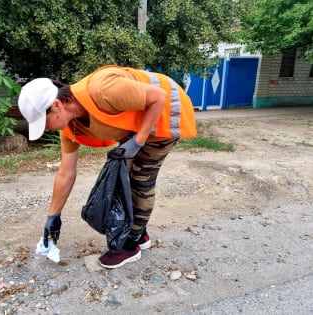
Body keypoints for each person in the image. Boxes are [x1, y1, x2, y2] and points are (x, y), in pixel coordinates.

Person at [18, 65, 197, 269]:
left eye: (44, 122)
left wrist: (139, 140)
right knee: (122, 179)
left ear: (57, 105)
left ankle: (130, 245)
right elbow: (66, 172)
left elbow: (158, 96)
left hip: (165, 112)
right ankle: (140, 232)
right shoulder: (70, 127)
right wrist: (53, 216)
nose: (46, 129)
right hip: (139, 123)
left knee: (141, 178)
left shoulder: (102, 90)